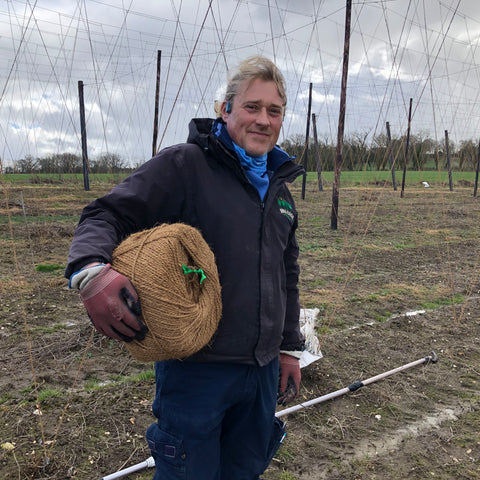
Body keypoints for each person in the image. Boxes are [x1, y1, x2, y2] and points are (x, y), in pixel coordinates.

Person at [66, 55, 304, 479]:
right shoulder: (186, 166)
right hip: (198, 370)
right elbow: (105, 214)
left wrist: (288, 349)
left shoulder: (281, 191)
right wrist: (90, 270)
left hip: (262, 371)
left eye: (274, 110)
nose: (263, 120)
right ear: (226, 109)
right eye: (252, 107)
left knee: (244, 471)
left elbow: (287, 275)